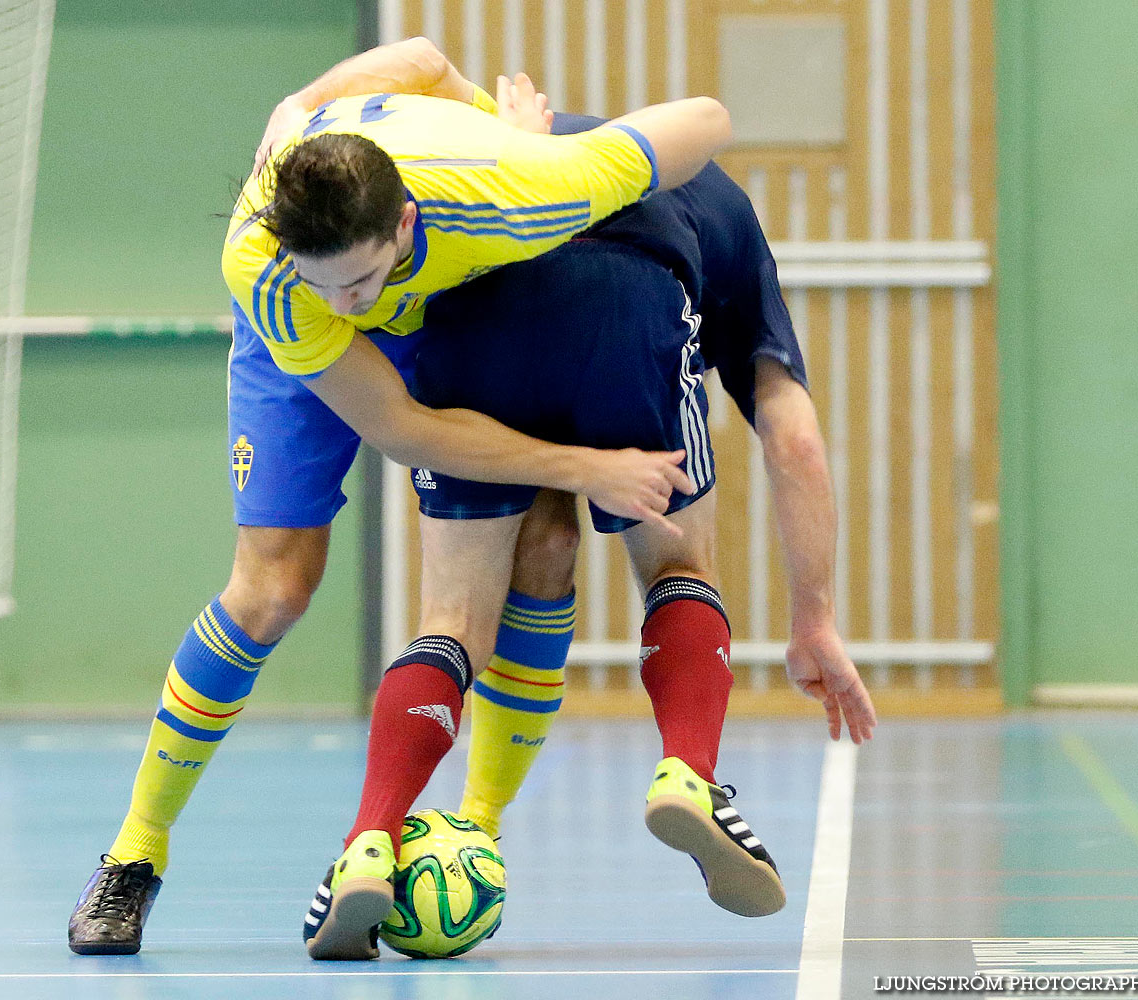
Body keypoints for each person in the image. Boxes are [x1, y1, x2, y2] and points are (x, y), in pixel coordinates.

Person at [68, 38, 729, 955]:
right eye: (326, 280)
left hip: (445, 305)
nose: (349, 301)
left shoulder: (520, 182)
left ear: (409, 223)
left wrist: (523, 136)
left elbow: (704, 119)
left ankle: (470, 836)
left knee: (543, 547)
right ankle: (133, 855)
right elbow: (398, 426)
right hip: (298, 350)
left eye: (364, 278)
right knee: (273, 588)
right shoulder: (271, 268)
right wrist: (585, 466)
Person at [300, 147, 878, 958]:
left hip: (478, 303)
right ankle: (687, 772)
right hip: (629, 296)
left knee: (455, 618)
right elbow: (796, 441)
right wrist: (813, 619)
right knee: (678, 568)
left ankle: (368, 839)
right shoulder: (719, 211)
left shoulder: (477, 157)